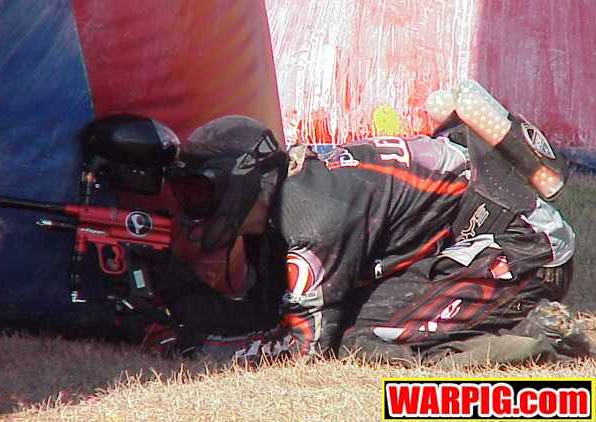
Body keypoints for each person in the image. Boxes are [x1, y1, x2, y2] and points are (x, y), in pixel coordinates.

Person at [164, 103, 590, 367]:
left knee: (360, 337)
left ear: (240, 182)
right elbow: (265, 314)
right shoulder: (283, 196)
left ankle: (534, 336)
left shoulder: (309, 216)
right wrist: (172, 310)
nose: (192, 208)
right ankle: (511, 320)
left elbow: (304, 345)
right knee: (357, 320)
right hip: (475, 241)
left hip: (524, 249)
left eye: (200, 193)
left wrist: (203, 349)